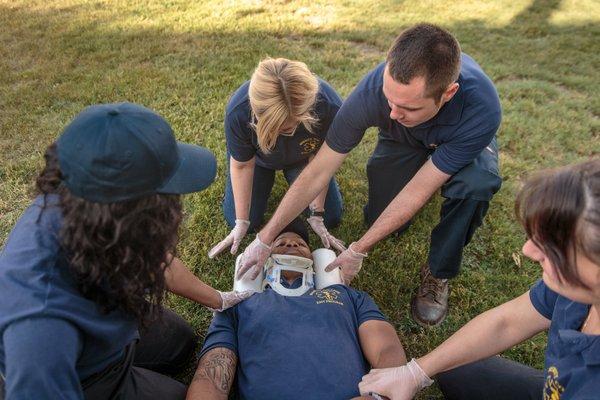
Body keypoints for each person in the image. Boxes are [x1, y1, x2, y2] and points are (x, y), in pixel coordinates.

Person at [237, 23, 502, 327]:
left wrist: (357, 250)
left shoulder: (482, 110)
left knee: (474, 185)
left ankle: (438, 271)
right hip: (404, 139)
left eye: (407, 106)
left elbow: (419, 188)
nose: (391, 113)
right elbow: (317, 171)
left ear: (448, 94)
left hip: (459, 140)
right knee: (382, 219)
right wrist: (264, 238)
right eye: (388, 99)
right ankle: (414, 148)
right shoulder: (373, 94)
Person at [0, 103, 252, 400]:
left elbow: (157, 261)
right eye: (167, 196)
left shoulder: (87, 200)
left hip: (111, 325)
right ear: (133, 213)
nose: (176, 206)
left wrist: (220, 300)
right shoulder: (41, 324)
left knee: (180, 343)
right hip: (86, 377)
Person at [359, 159, 600, 400]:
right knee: (457, 366)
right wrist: (416, 372)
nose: (529, 251)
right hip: (557, 388)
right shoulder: (571, 288)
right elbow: (507, 323)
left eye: (555, 247)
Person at [187, 221, 407, 400]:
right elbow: (211, 378)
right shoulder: (236, 304)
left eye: (301, 244)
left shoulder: (350, 297)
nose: (291, 244)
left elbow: (386, 349)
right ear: (264, 258)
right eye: (281, 242)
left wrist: (381, 396)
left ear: (314, 259)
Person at [208, 57, 345, 259]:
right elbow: (243, 166)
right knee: (242, 219)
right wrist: (241, 222)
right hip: (258, 161)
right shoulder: (239, 111)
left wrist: (316, 214)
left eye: (293, 125)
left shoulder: (330, 106)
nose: (288, 133)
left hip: (306, 159)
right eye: (280, 128)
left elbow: (321, 164)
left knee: (331, 217)